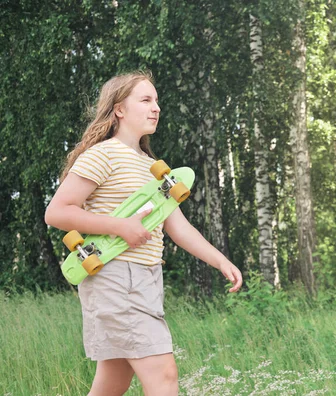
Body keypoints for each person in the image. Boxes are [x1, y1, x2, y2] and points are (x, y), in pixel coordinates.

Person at [45, 71, 243, 396]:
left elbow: (177, 226)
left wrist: (220, 260)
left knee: (113, 380)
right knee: (164, 375)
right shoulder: (102, 154)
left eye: (157, 101)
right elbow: (57, 212)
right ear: (119, 109)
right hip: (116, 277)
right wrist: (121, 226)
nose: (156, 108)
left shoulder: (149, 164)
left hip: (145, 278)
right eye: (146, 100)